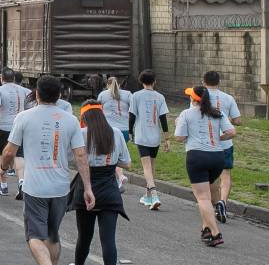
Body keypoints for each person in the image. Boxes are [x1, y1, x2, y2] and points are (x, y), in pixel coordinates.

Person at [0, 75, 94, 265]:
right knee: (52, 234)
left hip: (35, 187)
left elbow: (9, 152)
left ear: (37, 94)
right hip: (60, 187)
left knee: (34, 235)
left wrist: (3, 166)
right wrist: (87, 187)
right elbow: (80, 155)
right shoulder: (70, 120)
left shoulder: (24, 117)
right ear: (60, 95)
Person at [65, 102, 131, 265]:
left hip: (86, 187)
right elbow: (127, 162)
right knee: (108, 239)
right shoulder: (116, 133)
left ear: (84, 118)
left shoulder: (81, 134)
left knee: (84, 236)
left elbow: (70, 159)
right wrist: (109, 160)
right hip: (109, 189)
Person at [175, 86, 235, 247]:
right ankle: (206, 228)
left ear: (193, 99)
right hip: (217, 157)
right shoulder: (217, 113)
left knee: (202, 198)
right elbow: (231, 132)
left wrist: (179, 125)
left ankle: (215, 233)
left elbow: (179, 137)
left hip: (197, 156)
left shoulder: (186, 114)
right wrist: (217, 138)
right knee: (207, 195)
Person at [203, 71, 242, 224]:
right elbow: (237, 121)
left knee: (209, 175)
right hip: (225, 142)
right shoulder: (228, 98)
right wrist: (227, 119)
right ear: (219, 82)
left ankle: (214, 202)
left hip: (207, 142)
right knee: (225, 175)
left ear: (204, 82)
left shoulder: (200, 97)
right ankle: (223, 203)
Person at [128, 70, 170, 210]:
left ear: (141, 81)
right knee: (151, 167)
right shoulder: (160, 97)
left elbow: (132, 116)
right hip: (155, 137)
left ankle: (154, 195)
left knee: (146, 167)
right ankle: (148, 196)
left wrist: (130, 132)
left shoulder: (136, 96)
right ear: (154, 81)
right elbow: (163, 119)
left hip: (142, 136)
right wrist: (167, 139)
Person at [0, 68, 31, 197]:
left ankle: (3, 185)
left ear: (1, 78)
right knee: (19, 155)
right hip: (21, 127)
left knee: (2, 154)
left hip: (4, 127)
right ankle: (21, 182)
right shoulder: (26, 91)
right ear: (14, 78)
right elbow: (30, 108)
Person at [97, 76, 133, 191]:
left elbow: (97, 112)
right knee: (117, 155)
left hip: (108, 129)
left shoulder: (102, 95)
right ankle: (119, 179)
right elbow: (133, 111)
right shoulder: (128, 94)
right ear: (120, 84)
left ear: (107, 85)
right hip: (125, 130)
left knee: (110, 155)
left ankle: (119, 178)